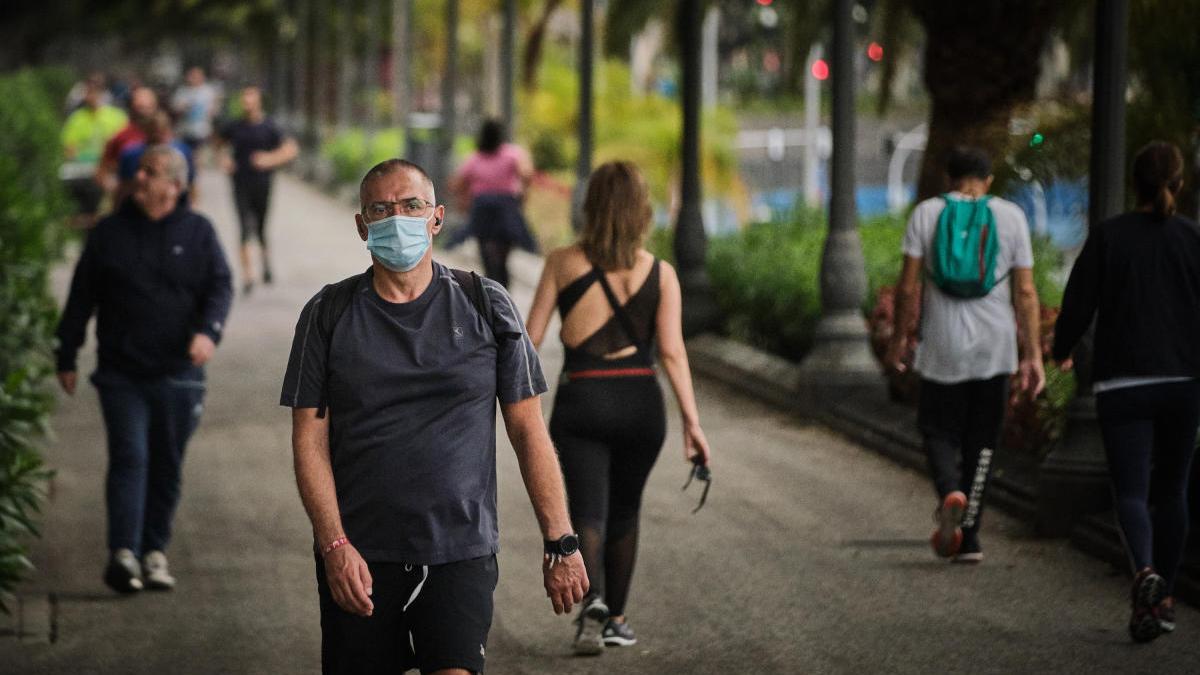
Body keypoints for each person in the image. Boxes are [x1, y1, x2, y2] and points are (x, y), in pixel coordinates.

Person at [281, 159, 587, 674]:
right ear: (362, 225)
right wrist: (333, 544)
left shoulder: (485, 304)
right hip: (361, 552)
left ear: (437, 218)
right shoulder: (327, 314)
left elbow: (528, 430)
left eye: (411, 206)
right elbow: (309, 440)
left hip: (459, 551)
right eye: (380, 208)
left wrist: (561, 541)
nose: (396, 217)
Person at [524, 161, 712, 655]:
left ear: (591, 207)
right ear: (641, 211)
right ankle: (618, 620)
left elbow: (530, 341)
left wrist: (519, 410)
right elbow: (672, 352)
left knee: (588, 510)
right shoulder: (662, 273)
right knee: (626, 511)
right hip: (641, 406)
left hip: (582, 400)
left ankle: (592, 610)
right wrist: (693, 424)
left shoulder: (563, 263)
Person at [55, 145, 233, 594]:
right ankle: (123, 554)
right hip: (121, 372)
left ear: (174, 185)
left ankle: (154, 552)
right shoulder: (109, 234)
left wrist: (208, 333)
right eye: (139, 170)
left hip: (179, 373)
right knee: (131, 457)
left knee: (166, 464)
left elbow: (220, 286)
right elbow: (82, 295)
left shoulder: (198, 232)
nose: (139, 178)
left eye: (150, 172)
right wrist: (67, 352)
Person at [1052, 141, 1200, 643]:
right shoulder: (1192, 239)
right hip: (1184, 383)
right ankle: (1165, 598)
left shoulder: (1109, 237)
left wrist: (1061, 349)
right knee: (1174, 491)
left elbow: (1077, 304)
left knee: (1132, 492)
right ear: (1177, 184)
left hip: (1123, 384)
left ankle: (1144, 578)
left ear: (1134, 184)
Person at [885, 145, 1044, 564]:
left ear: (948, 178)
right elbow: (1025, 292)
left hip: (942, 348)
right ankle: (970, 537)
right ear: (988, 180)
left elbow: (906, 288)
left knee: (937, 430)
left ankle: (949, 489)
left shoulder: (927, 213)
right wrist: (1033, 356)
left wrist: (900, 339)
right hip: (995, 351)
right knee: (983, 443)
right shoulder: (1011, 216)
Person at [217, 86, 298, 295]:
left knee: (261, 227)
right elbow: (219, 143)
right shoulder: (234, 126)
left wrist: (269, 159)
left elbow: (290, 149)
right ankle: (248, 275)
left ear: (259, 101)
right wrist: (224, 159)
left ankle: (265, 263)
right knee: (244, 226)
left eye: (251, 98)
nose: (247, 102)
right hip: (240, 183)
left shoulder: (270, 126)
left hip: (263, 183)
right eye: (244, 98)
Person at [448, 119, 537, 288]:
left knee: (484, 250)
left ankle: (491, 284)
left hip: (482, 211)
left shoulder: (475, 158)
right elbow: (526, 174)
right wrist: (523, 194)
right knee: (504, 251)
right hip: (506, 209)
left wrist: (464, 200)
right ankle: (502, 286)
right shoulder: (512, 154)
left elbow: (458, 183)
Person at [60, 76, 128, 227]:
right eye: (88, 93)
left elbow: (125, 146)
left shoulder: (116, 117)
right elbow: (69, 147)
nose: (91, 97)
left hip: (109, 166)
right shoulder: (77, 118)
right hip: (84, 165)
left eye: (95, 93)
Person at [116, 110, 196, 205]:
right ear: (146, 130)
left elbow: (190, 183)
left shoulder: (182, 151)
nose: (158, 134)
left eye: (161, 130)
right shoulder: (131, 154)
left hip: (173, 205)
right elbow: (124, 186)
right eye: (154, 130)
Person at [96, 86, 159, 198]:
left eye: (148, 107)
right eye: (140, 107)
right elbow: (102, 170)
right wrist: (114, 189)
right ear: (132, 108)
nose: (144, 112)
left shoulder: (164, 136)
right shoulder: (121, 136)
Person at [171, 66, 219, 153]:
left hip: (202, 132)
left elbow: (214, 110)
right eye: (192, 76)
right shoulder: (182, 91)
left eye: (197, 76)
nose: (194, 78)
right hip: (184, 131)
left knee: (199, 156)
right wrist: (184, 107)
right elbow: (175, 109)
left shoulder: (209, 91)